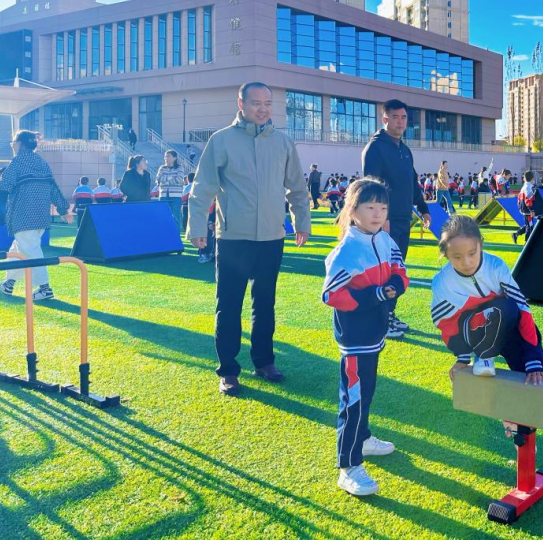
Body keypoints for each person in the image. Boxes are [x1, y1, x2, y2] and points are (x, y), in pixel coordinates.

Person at [187, 82, 311, 396]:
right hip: (233, 237)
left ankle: (264, 361)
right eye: (256, 103)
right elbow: (202, 188)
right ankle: (228, 370)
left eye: (268, 103)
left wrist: (301, 222)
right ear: (241, 104)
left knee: (265, 304)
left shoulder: (283, 142)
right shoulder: (221, 140)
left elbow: (297, 188)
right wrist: (197, 227)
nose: (263, 109)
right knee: (228, 306)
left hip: (271, 237)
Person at [322, 178, 407, 497]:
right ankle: (348, 465)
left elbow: (400, 271)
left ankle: (363, 438)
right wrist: (375, 295)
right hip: (355, 339)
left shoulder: (385, 240)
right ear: (353, 210)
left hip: (375, 333)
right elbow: (331, 295)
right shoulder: (346, 251)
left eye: (382, 208)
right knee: (354, 399)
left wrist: (395, 286)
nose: (377, 214)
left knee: (366, 392)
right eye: (370, 207)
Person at [432, 215, 543, 382]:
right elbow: (446, 323)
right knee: (504, 307)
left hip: (506, 324)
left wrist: (532, 356)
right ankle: (484, 356)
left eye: (472, 253)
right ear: (446, 255)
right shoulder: (443, 282)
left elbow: (522, 309)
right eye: (457, 257)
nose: (466, 262)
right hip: (475, 331)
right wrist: (462, 357)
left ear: (480, 245)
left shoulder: (496, 266)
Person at [361, 99, 429, 339]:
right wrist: (383, 218)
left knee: (397, 270)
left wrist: (423, 208)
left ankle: (389, 314)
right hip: (385, 223)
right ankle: (380, 320)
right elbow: (372, 186)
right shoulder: (375, 148)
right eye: (395, 117)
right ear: (385, 119)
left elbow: (412, 182)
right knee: (383, 271)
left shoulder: (404, 149)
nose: (400, 122)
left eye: (404, 117)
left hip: (403, 220)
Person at [0, 130, 74, 301]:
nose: (12, 145)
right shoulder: (41, 162)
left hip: (23, 216)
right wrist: (63, 210)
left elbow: (4, 187)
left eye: (13, 142)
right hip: (40, 217)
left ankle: (45, 288)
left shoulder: (17, 162)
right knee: (18, 249)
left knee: (30, 251)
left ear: (19, 144)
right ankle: (8, 283)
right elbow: (53, 188)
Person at [156, 149, 186, 226]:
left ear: (174, 158)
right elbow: (158, 178)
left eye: (168, 156)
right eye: (165, 156)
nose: (166, 158)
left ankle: (176, 233)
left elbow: (179, 179)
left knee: (176, 217)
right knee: (163, 216)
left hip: (176, 196)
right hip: (163, 196)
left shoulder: (180, 168)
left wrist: (165, 180)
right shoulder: (162, 168)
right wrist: (170, 178)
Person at [512, 170, 537, 244]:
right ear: (532, 178)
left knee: (528, 225)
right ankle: (526, 243)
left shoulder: (527, 186)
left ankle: (516, 234)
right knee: (530, 226)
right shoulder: (527, 187)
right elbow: (528, 200)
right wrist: (531, 210)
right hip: (526, 209)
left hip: (524, 208)